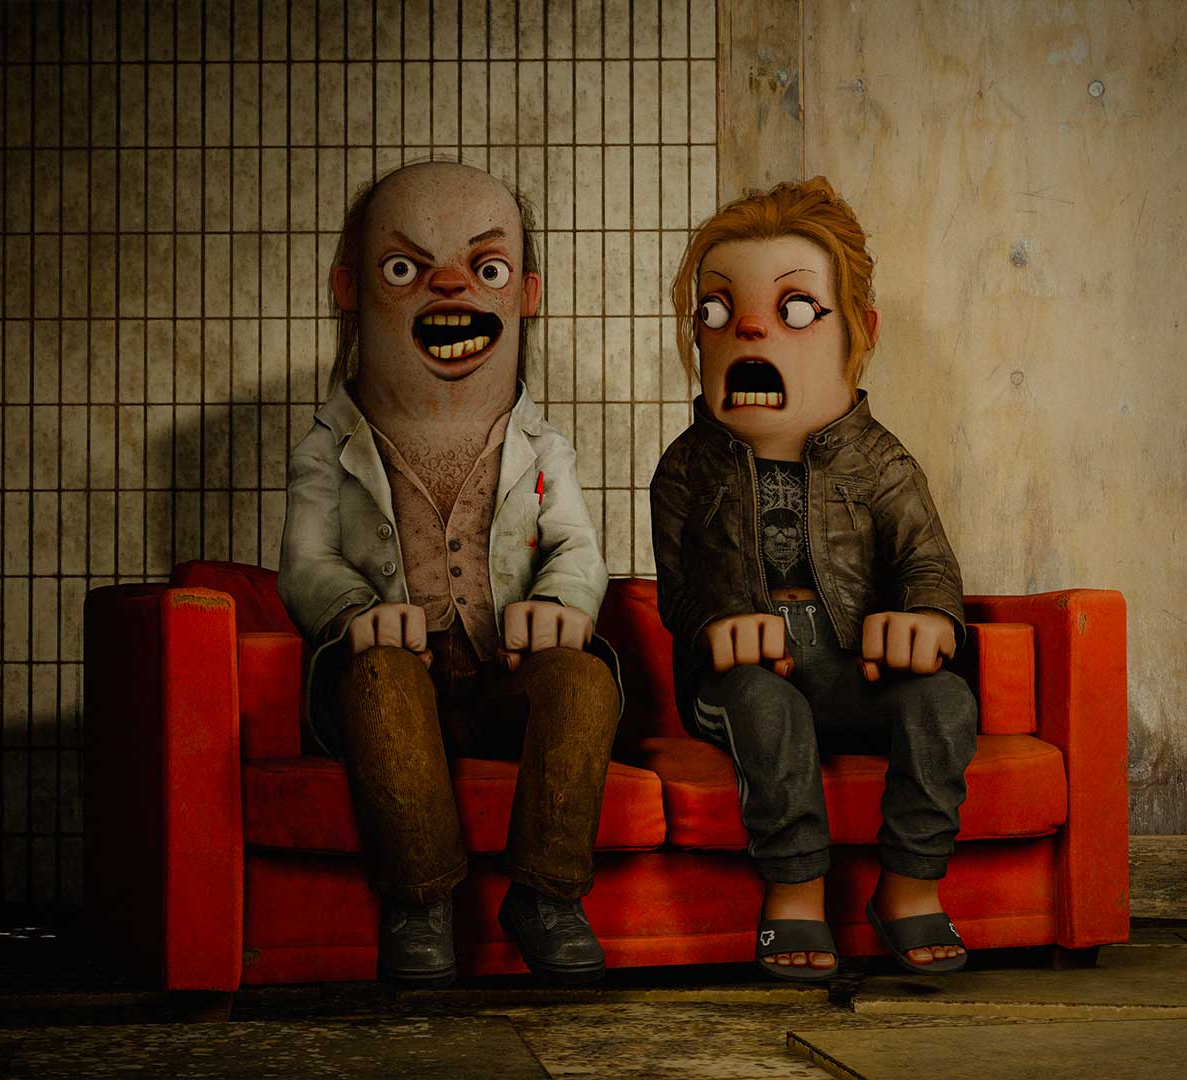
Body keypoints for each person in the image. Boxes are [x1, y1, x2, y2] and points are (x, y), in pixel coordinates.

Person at [278, 160, 621, 988]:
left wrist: (560, 602)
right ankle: (420, 904)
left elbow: (577, 547)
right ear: (350, 288)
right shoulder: (328, 447)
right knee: (379, 680)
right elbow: (305, 561)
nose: (451, 288)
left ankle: (547, 898)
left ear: (525, 295)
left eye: (487, 269)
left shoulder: (543, 448)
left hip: (505, 676)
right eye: (405, 268)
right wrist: (354, 613)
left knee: (584, 682)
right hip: (398, 681)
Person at [649, 177, 978, 981]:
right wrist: (717, 624)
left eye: (794, 309)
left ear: (860, 331)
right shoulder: (685, 469)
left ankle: (909, 887)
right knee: (765, 706)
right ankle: (794, 894)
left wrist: (929, 618)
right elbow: (674, 588)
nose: (748, 328)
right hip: (744, 680)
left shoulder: (883, 464)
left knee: (944, 703)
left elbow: (928, 561)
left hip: (854, 669)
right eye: (717, 311)